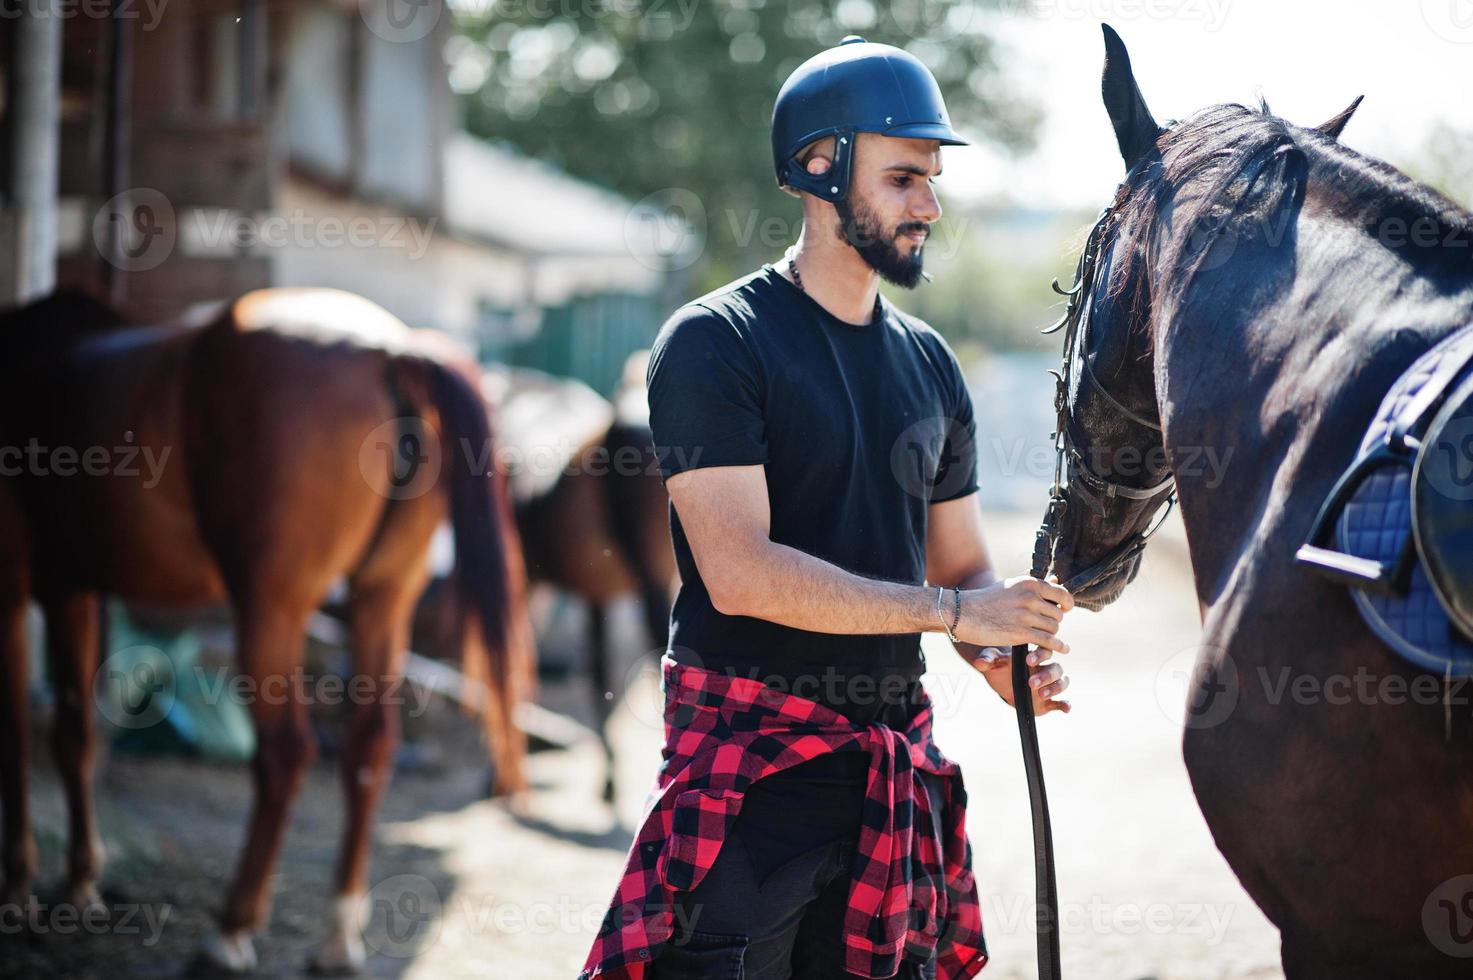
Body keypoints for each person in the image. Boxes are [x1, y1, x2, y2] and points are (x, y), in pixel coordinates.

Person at [580, 35, 1074, 980]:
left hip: (888, 772)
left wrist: (995, 651)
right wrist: (959, 614)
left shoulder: (931, 364)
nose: (928, 203)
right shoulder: (716, 343)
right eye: (901, 177)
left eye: (931, 179)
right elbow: (743, 573)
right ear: (817, 168)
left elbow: (957, 562)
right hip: (750, 779)